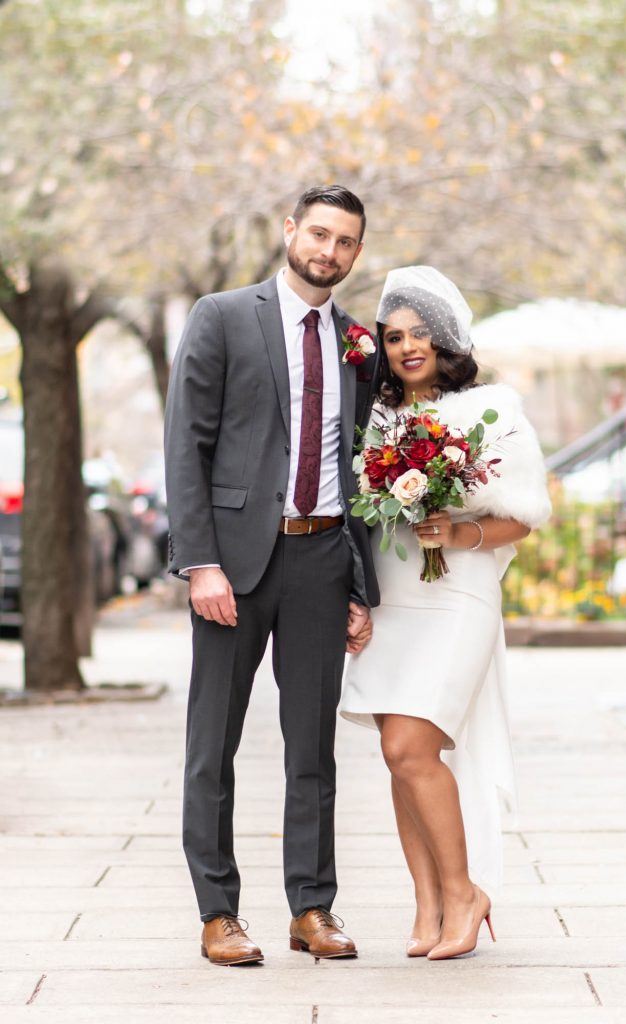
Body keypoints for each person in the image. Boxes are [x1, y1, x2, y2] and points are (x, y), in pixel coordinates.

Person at [164, 185, 380, 966]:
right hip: (234, 564)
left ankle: (311, 906)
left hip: (323, 557)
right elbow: (184, 444)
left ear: (356, 253)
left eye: (345, 241)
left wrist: (359, 586)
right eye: (318, 233)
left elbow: (359, 467)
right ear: (290, 231)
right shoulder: (222, 317)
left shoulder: (360, 341)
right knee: (212, 740)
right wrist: (200, 564)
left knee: (311, 745)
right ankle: (218, 911)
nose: (329, 251)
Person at [339, 266, 551, 960]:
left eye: (419, 334)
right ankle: (427, 905)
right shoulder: (374, 420)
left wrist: (462, 534)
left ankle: (465, 891)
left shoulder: (492, 412)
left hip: (458, 595)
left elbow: (523, 517)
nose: (405, 347)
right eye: (394, 335)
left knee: (411, 748)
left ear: (447, 339)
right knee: (400, 757)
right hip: (394, 597)